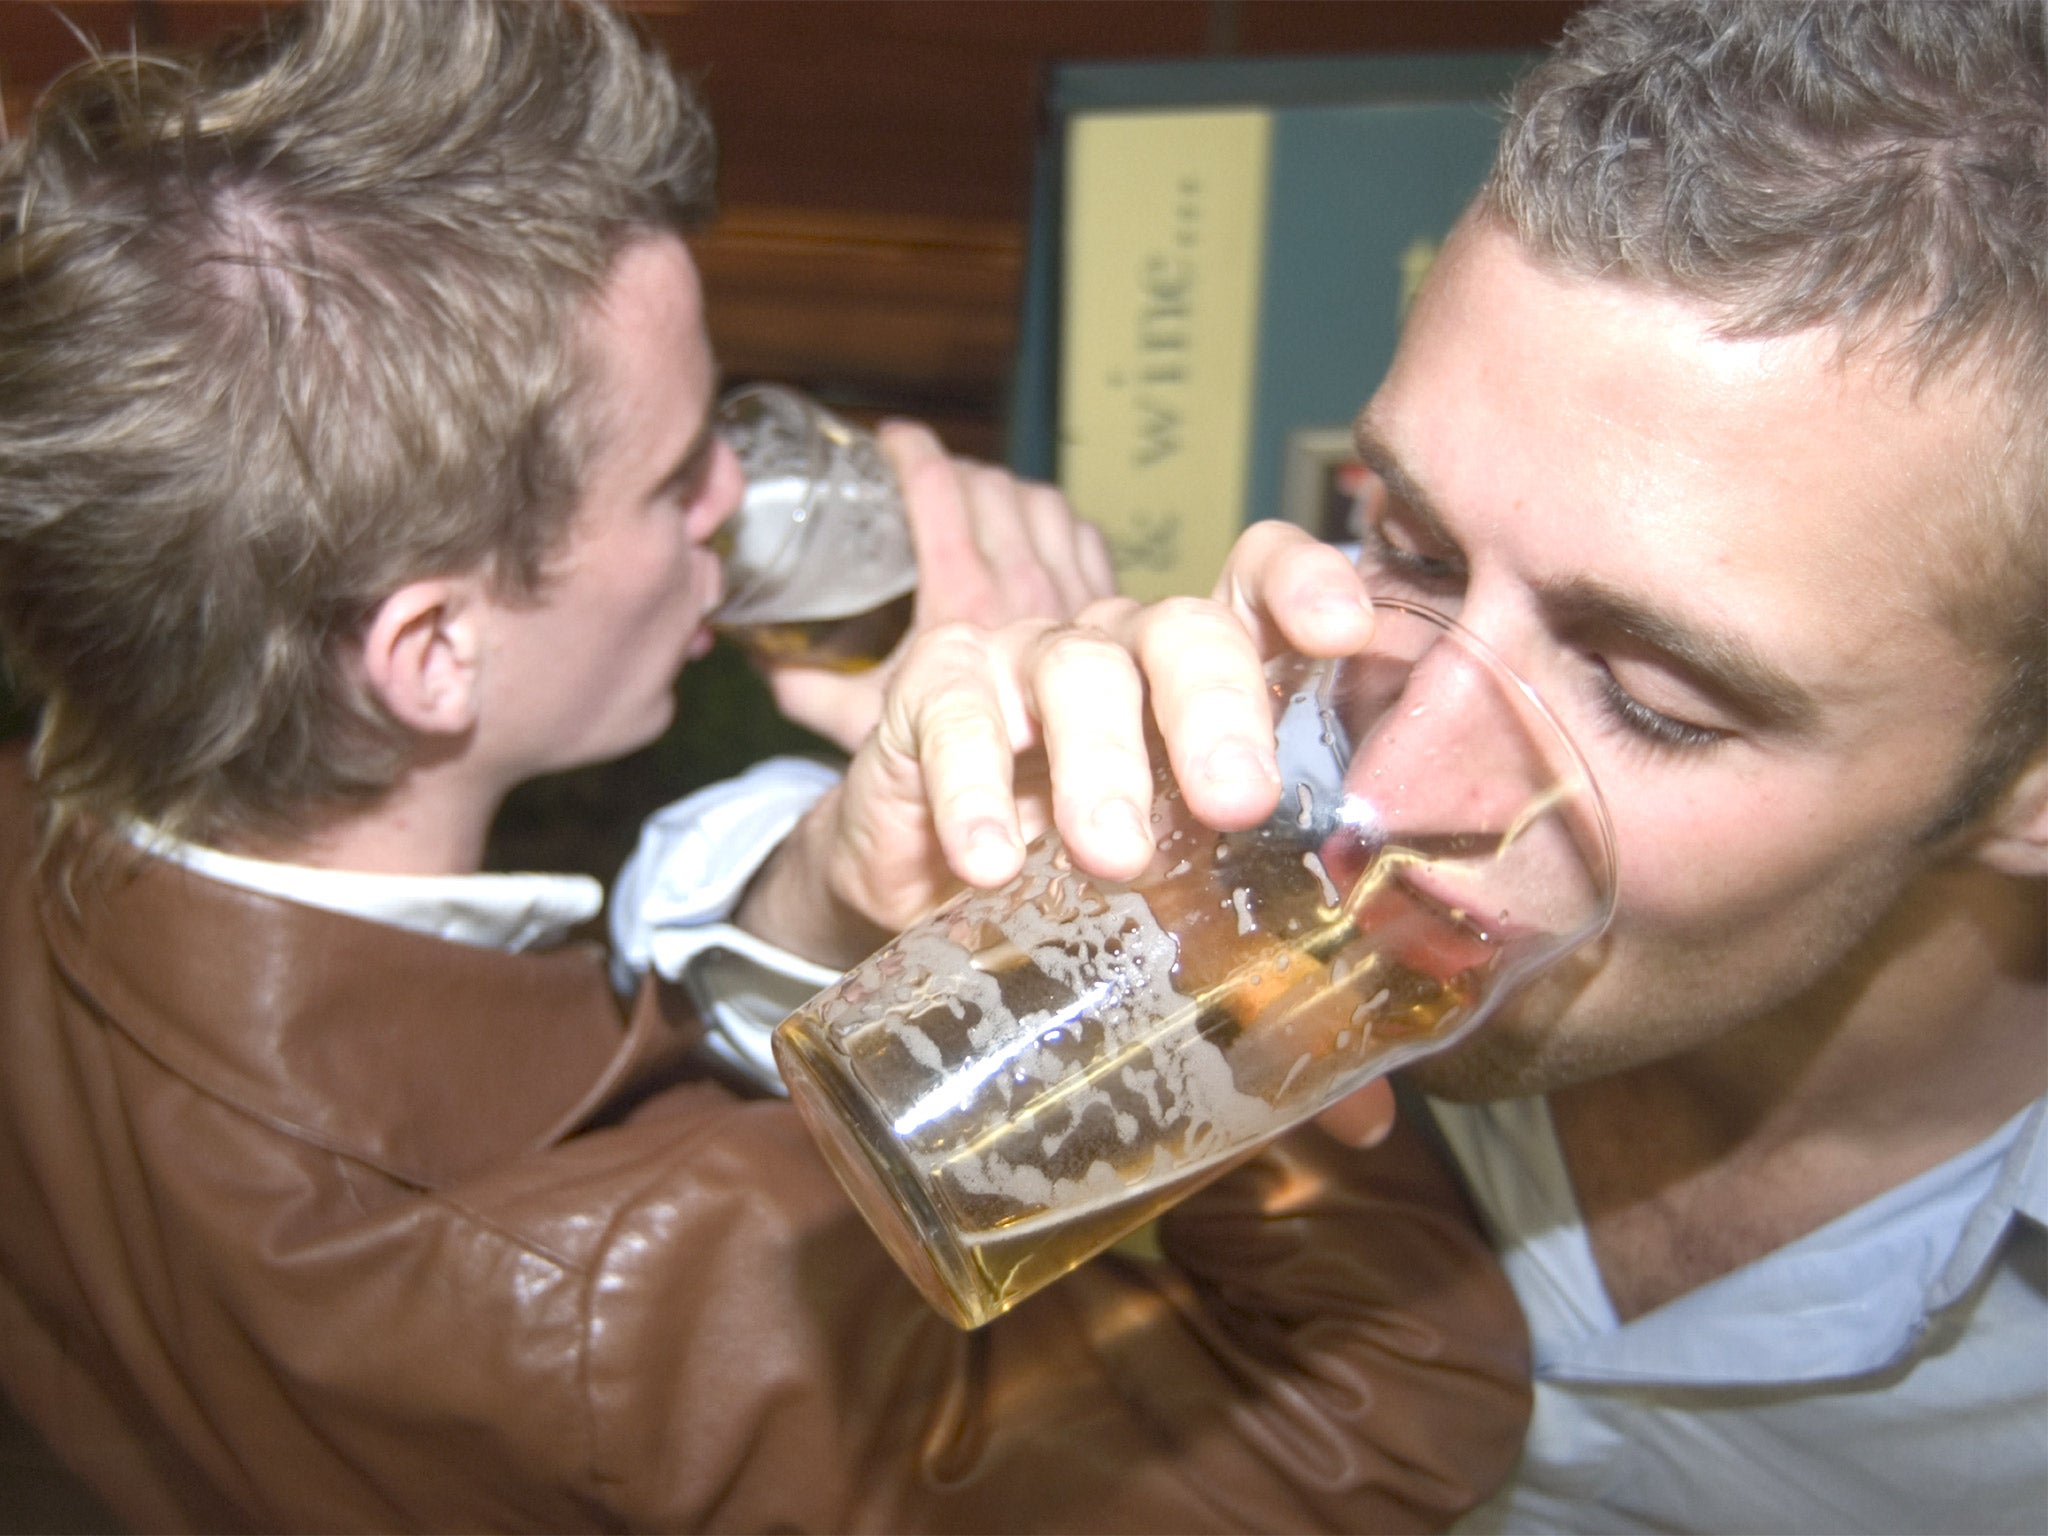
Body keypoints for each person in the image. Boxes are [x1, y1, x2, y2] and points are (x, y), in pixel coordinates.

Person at [0, 1, 1531, 1531]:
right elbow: (1393, 1413)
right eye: (674, 483)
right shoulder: (612, 1287)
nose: (736, 496)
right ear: (430, 656)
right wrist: (1158, 873)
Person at [853, 1, 2040, 1530]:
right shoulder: (1248, 849)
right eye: (1404, 547)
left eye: (1652, 700)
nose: (1392, 792)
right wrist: (834, 887)